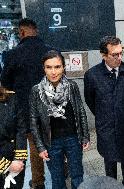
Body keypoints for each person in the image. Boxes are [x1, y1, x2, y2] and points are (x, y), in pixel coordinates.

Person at [0, 18, 52, 189]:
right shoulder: (50, 51)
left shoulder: (13, 54)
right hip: (51, 108)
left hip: (26, 111)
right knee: (54, 142)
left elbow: (5, 83)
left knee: (35, 146)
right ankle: (61, 171)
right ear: (35, 30)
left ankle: (38, 182)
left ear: (21, 32)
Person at [30, 50, 90, 189]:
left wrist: (85, 135)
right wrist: (40, 146)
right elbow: (33, 121)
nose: (53, 72)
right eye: (49, 67)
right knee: (57, 179)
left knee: (77, 176)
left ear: (63, 67)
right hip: (51, 142)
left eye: (57, 67)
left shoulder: (72, 86)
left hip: (73, 138)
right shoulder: (36, 90)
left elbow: (80, 110)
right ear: (43, 68)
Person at [84, 36, 124, 189]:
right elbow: (90, 100)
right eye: (115, 55)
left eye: (121, 53)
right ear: (103, 55)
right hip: (106, 126)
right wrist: (104, 114)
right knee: (110, 161)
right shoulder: (92, 75)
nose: (119, 58)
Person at [0, 87, 27, 189]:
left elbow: (21, 129)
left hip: (15, 163)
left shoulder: (11, 98)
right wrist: (6, 166)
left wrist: (19, 159)